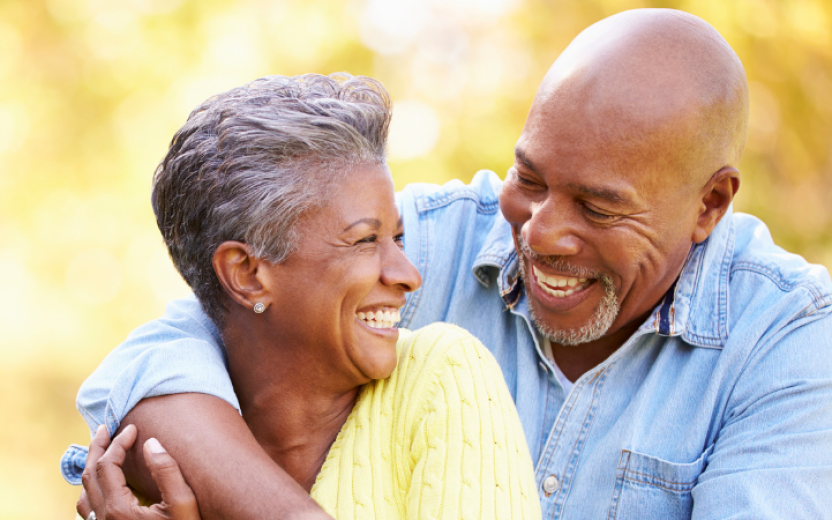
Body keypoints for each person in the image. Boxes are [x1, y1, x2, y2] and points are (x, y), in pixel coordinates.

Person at [63, 8, 832, 520]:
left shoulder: (790, 343)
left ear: (710, 204)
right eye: (530, 178)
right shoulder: (427, 242)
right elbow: (163, 360)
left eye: (599, 208)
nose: (544, 235)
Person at [67, 74, 541, 520]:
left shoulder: (443, 377)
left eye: (397, 238)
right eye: (364, 240)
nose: (409, 275)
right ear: (247, 274)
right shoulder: (155, 467)